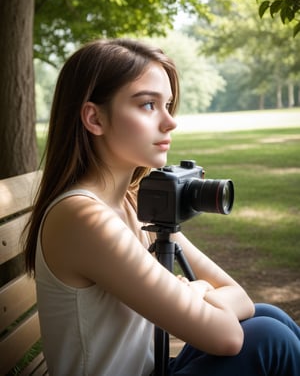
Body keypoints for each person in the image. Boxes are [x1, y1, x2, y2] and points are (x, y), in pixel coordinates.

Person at [23, 38, 299, 376]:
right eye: (148, 105)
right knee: (268, 338)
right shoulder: (83, 217)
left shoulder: (131, 201)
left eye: (168, 104)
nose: (170, 122)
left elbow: (238, 296)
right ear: (94, 118)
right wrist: (201, 290)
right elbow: (226, 337)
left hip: (153, 368)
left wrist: (193, 290)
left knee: (269, 316)